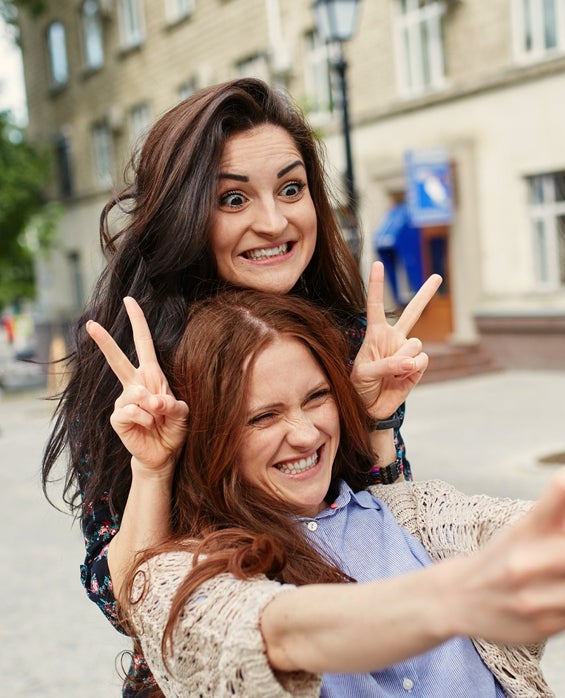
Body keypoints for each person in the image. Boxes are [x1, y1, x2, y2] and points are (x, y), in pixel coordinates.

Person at [88, 289, 565, 697]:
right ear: (214, 434)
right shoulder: (174, 576)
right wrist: (457, 599)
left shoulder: (407, 509)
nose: (304, 432)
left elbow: (540, 532)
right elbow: (279, 633)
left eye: (316, 397)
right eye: (263, 416)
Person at [41, 78, 441, 695]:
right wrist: (155, 468)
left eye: (291, 188)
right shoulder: (137, 369)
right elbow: (125, 605)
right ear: (184, 213)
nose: (274, 221)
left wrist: (375, 421)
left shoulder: (348, 337)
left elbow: (385, 528)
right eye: (233, 199)